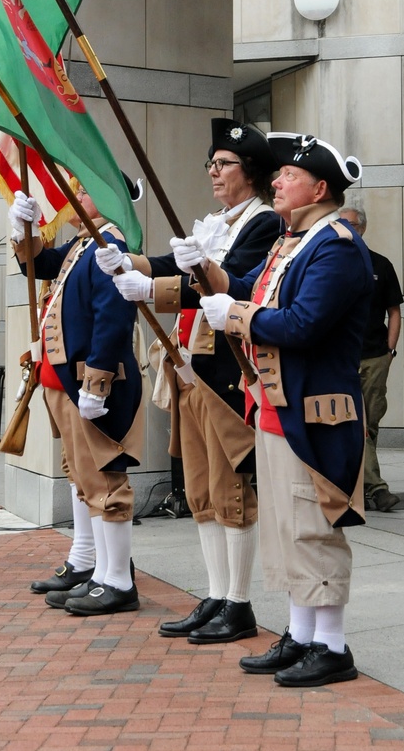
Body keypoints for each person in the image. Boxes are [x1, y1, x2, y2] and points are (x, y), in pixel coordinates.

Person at [188, 132, 371, 688]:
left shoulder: (334, 245)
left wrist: (235, 315)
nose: (277, 181)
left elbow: (302, 324)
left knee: (313, 528)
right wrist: (202, 271)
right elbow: (245, 287)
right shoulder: (293, 241)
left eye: (289, 176)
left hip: (314, 410)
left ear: (319, 188)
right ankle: (301, 633)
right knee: (286, 530)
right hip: (275, 404)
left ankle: (332, 646)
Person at [96, 120, 282, 644]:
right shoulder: (216, 222)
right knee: (199, 491)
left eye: (224, 163)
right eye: (211, 163)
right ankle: (216, 593)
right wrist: (128, 264)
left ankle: (239, 602)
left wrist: (151, 286)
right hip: (189, 369)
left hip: (226, 372)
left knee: (231, 491)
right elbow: (167, 263)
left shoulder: (262, 224)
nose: (213, 172)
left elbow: (229, 282)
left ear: (250, 172)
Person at [11, 176, 144, 617]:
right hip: (63, 381)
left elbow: (113, 316)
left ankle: (116, 579)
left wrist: (98, 381)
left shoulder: (111, 243)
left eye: (84, 189)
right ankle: (93, 566)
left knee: (105, 480)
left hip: (90, 381)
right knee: (82, 476)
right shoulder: (82, 244)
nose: (74, 196)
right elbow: (41, 264)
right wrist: (23, 232)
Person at [339, 205, 402, 513]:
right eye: (339, 223)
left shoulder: (381, 265)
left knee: (369, 423)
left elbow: (394, 312)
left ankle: (364, 488)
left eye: (349, 223)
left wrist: (390, 352)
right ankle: (375, 488)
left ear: (361, 228)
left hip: (375, 357)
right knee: (351, 425)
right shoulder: (331, 263)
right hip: (340, 359)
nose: (344, 228)